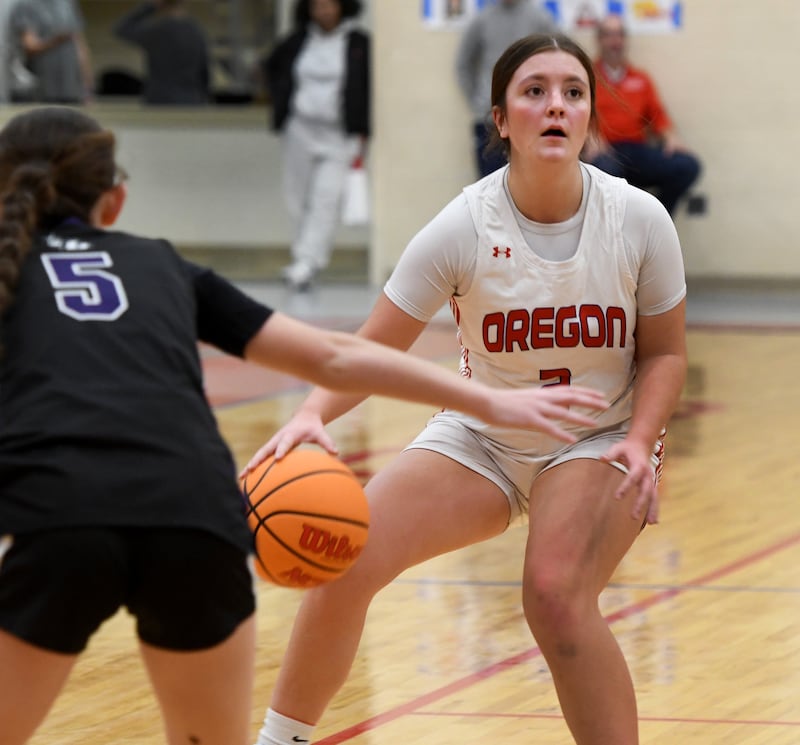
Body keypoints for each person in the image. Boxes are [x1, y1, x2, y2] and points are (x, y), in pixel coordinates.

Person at [0, 106, 611, 745]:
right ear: (116, 200)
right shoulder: (164, 268)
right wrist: (489, 402)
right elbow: (336, 356)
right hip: (196, 521)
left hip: (61, 519)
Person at [249, 32, 688, 745]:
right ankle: (279, 740)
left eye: (573, 93)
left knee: (553, 596)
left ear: (589, 117)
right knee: (344, 554)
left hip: (600, 438)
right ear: (501, 119)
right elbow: (368, 348)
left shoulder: (639, 219)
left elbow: (666, 354)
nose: (556, 106)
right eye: (534, 91)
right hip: (485, 436)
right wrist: (309, 415)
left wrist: (640, 441)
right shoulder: (462, 226)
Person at [263, 0, 370, 291]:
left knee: (326, 199)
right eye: (317, 6)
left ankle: (309, 262)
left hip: (339, 135)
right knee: (297, 197)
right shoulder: (296, 41)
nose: (324, 12)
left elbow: (368, 86)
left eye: (329, 6)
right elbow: (272, 69)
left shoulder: (359, 44)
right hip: (299, 130)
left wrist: (362, 127)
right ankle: (300, 258)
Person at [584, 13, 701, 215]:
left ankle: (656, 221)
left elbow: (657, 115)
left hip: (636, 151)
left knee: (687, 166)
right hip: (606, 153)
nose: (616, 41)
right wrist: (588, 136)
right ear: (599, 40)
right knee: (606, 175)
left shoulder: (640, 78)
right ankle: (615, 238)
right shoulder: (586, 78)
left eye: (620, 35)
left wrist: (670, 136)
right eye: (609, 35)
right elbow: (575, 115)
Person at [455, 0, 556, 178]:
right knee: (489, 188)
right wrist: (477, 102)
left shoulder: (539, 17)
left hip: (530, 116)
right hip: (488, 119)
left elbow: (559, 55)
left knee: (531, 183)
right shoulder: (482, 19)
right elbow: (463, 64)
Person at [113, 0, 210, 106]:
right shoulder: (196, 32)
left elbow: (122, 29)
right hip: (190, 100)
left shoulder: (156, 31)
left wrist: (149, 7)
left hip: (159, 100)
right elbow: (204, 72)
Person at [8, 0, 92, 104]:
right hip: (45, 87)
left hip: (72, 87)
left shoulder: (67, 3)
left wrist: (87, 84)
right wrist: (56, 40)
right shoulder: (26, 5)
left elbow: (80, 46)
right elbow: (30, 46)